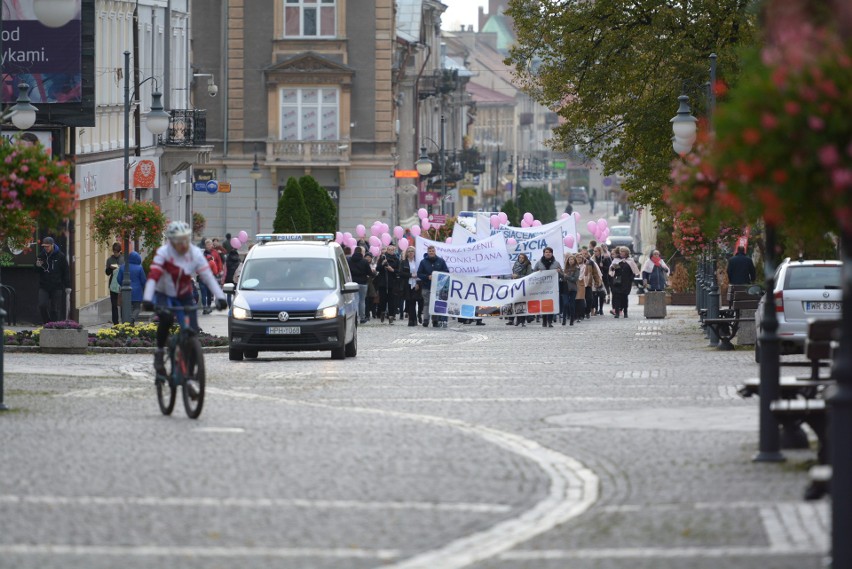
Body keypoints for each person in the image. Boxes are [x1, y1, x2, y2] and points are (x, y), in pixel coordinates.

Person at [142, 221, 227, 379]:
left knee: (192, 330)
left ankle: (190, 370)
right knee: (166, 318)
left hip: (184, 294)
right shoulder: (163, 253)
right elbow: (153, 277)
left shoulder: (194, 253)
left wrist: (220, 298)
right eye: (178, 241)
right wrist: (147, 299)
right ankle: (160, 353)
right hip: (164, 293)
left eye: (185, 240)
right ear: (171, 241)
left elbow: (207, 276)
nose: (182, 244)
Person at [36, 237, 70, 324]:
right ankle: (47, 323)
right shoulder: (41, 255)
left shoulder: (60, 256)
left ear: (52, 245)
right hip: (44, 285)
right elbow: (36, 271)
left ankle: (54, 325)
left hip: (57, 286)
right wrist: (37, 266)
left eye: (47, 246)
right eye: (44, 246)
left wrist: (67, 286)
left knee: (55, 309)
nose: (46, 248)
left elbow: (66, 271)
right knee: (42, 305)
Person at [417, 245, 449, 328]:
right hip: (426, 286)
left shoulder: (441, 261)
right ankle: (426, 320)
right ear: (427, 252)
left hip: (438, 287)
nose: (431, 252)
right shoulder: (423, 262)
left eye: (433, 251)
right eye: (430, 251)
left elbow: (446, 271)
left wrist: (437, 276)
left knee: (435, 303)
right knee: (426, 303)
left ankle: (435, 320)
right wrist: (427, 277)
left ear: (435, 252)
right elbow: (419, 273)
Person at [533, 247, 562, 327]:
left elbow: (562, 275)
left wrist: (559, 272)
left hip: (553, 287)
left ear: (552, 253)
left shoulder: (556, 263)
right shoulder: (539, 263)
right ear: (544, 253)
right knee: (544, 304)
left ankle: (550, 321)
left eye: (549, 252)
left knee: (551, 303)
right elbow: (533, 273)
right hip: (542, 287)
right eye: (546, 252)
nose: (548, 253)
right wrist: (538, 273)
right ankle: (544, 321)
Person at [116, 251, 147, 324]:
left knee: (126, 308)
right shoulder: (139, 268)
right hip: (137, 292)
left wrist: (123, 285)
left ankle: (126, 323)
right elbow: (143, 280)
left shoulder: (123, 267)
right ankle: (132, 318)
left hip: (125, 292)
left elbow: (118, 279)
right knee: (137, 308)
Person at [609, 246, 640, 318]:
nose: (621, 253)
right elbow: (611, 270)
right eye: (620, 251)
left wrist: (630, 279)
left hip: (626, 282)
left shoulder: (630, 261)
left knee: (624, 297)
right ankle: (617, 313)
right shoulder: (616, 260)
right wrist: (613, 267)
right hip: (617, 282)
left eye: (623, 251)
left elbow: (634, 271)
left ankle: (625, 311)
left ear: (626, 253)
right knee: (616, 297)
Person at [348, 246, 373, 324]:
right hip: (363, 283)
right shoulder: (364, 261)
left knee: (354, 300)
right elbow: (370, 273)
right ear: (362, 252)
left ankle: (355, 317)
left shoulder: (349, 260)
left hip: (353, 283)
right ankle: (362, 318)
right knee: (362, 301)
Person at [375, 244, 400, 324]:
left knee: (392, 300)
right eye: (389, 249)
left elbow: (399, 271)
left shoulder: (396, 259)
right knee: (383, 299)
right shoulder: (382, 258)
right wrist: (382, 264)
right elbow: (377, 269)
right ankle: (382, 312)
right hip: (383, 282)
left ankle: (391, 316)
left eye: (392, 250)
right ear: (387, 250)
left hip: (392, 282)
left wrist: (392, 270)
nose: (391, 251)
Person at [398, 246, 421, 326]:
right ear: (407, 253)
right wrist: (410, 275)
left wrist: (418, 282)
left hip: (416, 284)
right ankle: (412, 320)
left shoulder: (417, 262)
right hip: (407, 284)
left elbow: (420, 273)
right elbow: (400, 273)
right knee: (410, 301)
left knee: (414, 302)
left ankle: (414, 319)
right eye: (409, 251)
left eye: (412, 251)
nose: (411, 253)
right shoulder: (403, 262)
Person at [200, 238, 223, 314]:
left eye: (210, 244)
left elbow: (219, 262)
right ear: (206, 245)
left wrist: (220, 270)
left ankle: (207, 307)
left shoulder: (215, 253)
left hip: (207, 275)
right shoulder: (205, 255)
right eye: (208, 244)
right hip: (209, 276)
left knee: (208, 293)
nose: (210, 246)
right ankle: (206, 307)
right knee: (206, 292)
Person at [511, 253, 533, 326]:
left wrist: (518, 276)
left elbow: (528, 276)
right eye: (519, 257)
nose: (521, 259)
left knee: (523, 303)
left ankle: (522, 320)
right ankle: (518, 318)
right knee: (517, 302)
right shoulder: (515, 264)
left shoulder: (528, 265)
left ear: (525, 258)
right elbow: (513, 273)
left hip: (524, 285)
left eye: (522, 258)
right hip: (516, 285)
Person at [105, 242, 124, 325]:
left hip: (122, 284)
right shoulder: (109, 260)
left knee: (123, 304)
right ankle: (115, 323)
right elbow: (107, 273)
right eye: (114, 252)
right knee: (114, 305)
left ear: (120, 251)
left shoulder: (124, 259)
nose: (115, 254)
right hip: (113, 284)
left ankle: (124, 321)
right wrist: (110, 268)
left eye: (117, 252)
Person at [561, 254, 580, 325]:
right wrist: (560, 273)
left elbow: (574, 279)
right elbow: (563, 278)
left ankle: (572, 319)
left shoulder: (577, 268)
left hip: (572, 288)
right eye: (569, 259)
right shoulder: (565, 268)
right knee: (565, 304)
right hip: (565, 287)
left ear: (574, 260)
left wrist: (567, 276)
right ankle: (564, 319)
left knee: (572, 304)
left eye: (572, 259)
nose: (570, 261)